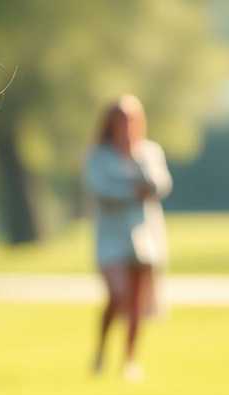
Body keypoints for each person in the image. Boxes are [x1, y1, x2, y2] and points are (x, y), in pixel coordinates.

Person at [85, 94, 172, 380]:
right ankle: (101, 349)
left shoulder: (148, 152)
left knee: (137, 301)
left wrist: (137, 167)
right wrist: (134, 189)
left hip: (144, 234)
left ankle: (130, 359)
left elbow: (160, 185)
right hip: (111, 237)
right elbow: (103, 190)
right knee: (117, 295)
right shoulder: (99, 155)